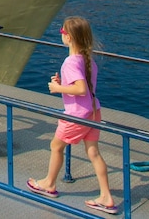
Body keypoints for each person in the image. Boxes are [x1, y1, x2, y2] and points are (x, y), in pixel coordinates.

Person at [26, 17, 117, 215]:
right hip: (94, 111)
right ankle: (106, 197)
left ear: (68, 38)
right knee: (93, 152)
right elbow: (82, 85)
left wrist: (58, 87)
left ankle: (48, 184)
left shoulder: (69, 62)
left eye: (62, 32)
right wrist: (64, 84)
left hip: (77, 115)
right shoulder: (88, 60)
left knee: (55, 146)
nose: (61, 35)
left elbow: (80, 88)